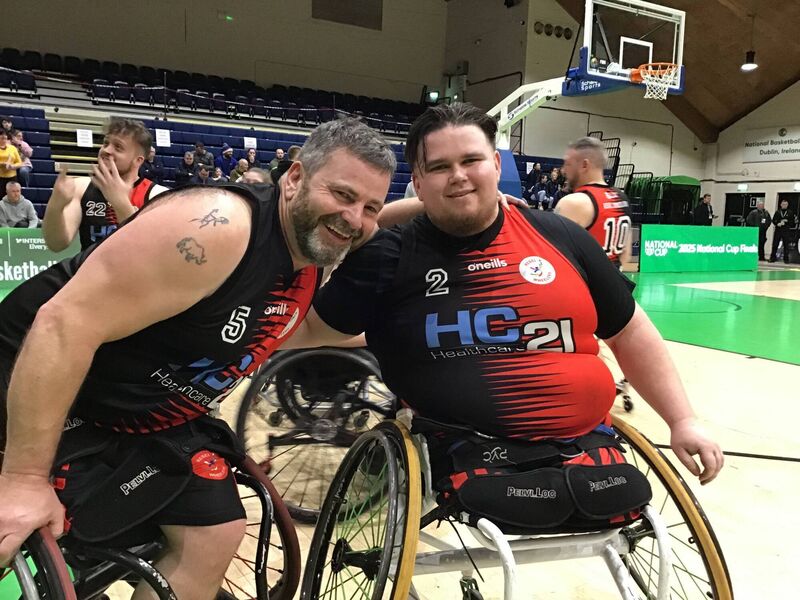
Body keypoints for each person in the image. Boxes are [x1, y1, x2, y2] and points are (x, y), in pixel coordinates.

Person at [0, 117, 395, 596]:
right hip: (38, 378)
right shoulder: (218, 229)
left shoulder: (308, 255)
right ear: (293, 178)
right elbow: (62, 326)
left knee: (216, 531)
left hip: (135, 406)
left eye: (371, 207)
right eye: (343, 195)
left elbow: (294, 329)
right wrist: (22, 479)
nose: (355, 219)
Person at [287, 103, 723, 492]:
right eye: (439, 167)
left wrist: (682, 420)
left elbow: (629, 331)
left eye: (471, 160)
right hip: (465, 457)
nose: (458, 175)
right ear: (417, 183)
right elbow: (306, 330)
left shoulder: (559, 235)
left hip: (587, 450)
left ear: (496, 165)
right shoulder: (390, 254)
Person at [42, 118, 169, 252]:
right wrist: (55, 206)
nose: (106, 150)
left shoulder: (158, 196)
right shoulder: (80, 187)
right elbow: (56, 244)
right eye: (105, 143)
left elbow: (148, 252)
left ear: (137, 161)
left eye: (118, 147)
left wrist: (121, 204)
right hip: (91, 271)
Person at [555, 136, 633, 267]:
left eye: (568, 164)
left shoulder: (574, 203)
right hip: (614, 284)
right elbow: (626, 255)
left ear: (584, 165)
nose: (563, 170)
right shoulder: (622, 197)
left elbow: (553, 258)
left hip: (584, 285)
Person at [770, 199, 797, 264]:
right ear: (781, 205)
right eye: (783, 204)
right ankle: (773, 258)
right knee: (775, 244)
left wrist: (786, 222)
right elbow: (773, 220)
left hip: (786, 231)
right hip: (778, 230)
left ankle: (786, 259)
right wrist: (777, 223)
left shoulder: (790, 212)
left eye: (786, 204)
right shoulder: (778, 212)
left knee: (786, 245)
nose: (784, 205)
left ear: (787, 205)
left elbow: (792, 222)